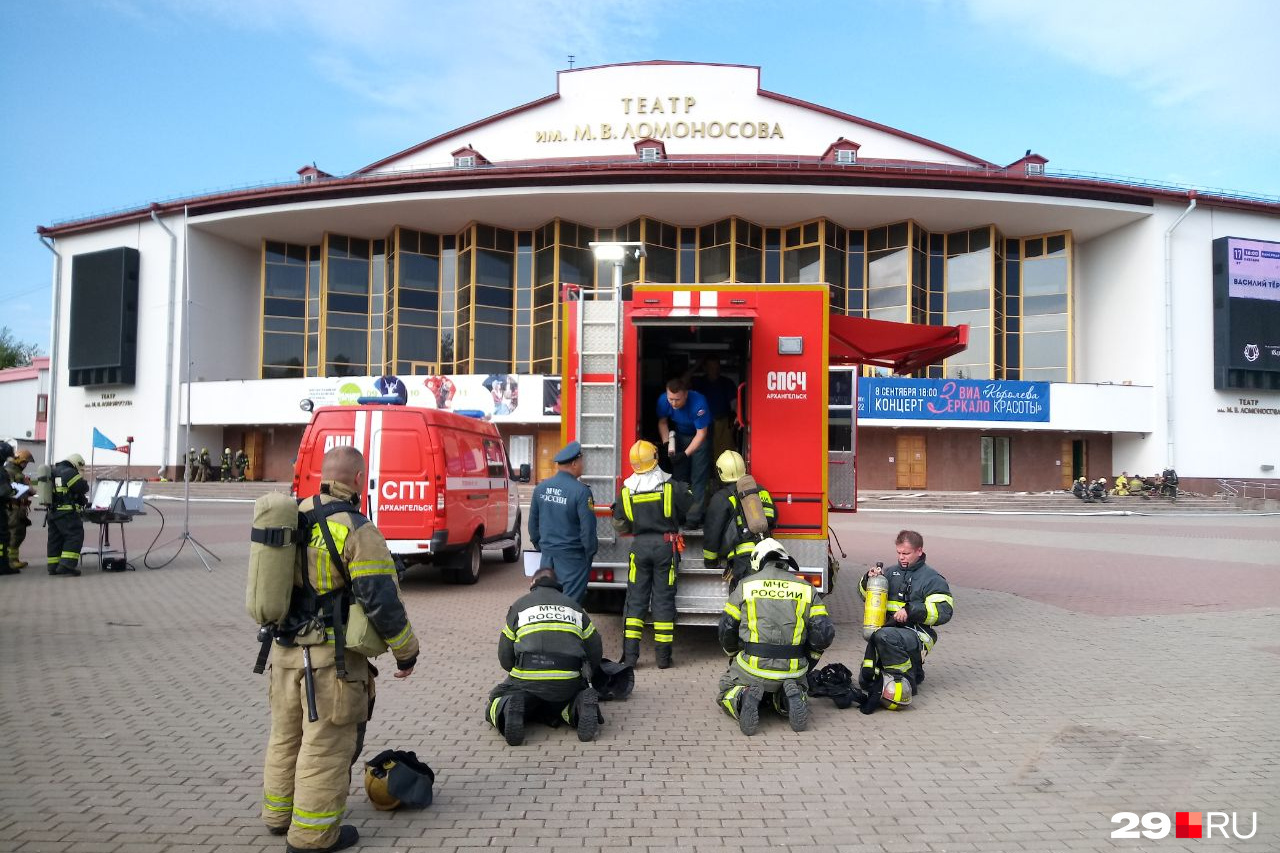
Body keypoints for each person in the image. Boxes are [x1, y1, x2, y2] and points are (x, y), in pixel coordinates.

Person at [261, 445, 418, 852]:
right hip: (330, 661)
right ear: (360, 479)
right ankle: (312, 836)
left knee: (285, 736)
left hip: (283, 652)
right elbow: (381, 600)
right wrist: (406, 652)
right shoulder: (355, 527)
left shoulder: (291, 516)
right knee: (325, 747)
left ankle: (278, 815)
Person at [716, 538, 835, 735]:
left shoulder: (745, 586)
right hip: (793, 669)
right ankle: (788, 699)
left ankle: (744, 697)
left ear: (757, 561)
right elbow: (824, 634)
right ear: (785, 562)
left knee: (726, 687)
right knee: (796, 684)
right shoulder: (806, 589)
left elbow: (726, 629)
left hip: (752, 668)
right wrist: (809, 660)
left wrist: (733, 655)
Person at [484, 567, 604, 746]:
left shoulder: (520, 606)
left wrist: (516, 672)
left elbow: (505, 657)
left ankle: (509, 708)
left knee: (495, 700)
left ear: (533, 583)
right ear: (557, 584)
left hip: (527, 680)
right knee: (564, 703)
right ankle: (580, 706)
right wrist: (586, 677)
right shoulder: (574, 607)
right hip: (567, 680)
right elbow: (595, 649)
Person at [611, 440, 693, 669]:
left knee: (635, 601)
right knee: (663, 600)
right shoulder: (671, 487)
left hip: (639, 549)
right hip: (665, 548)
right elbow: (690, 507)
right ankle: (663, 659)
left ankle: (630, 657)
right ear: (655, 459)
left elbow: (619, 524)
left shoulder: (626, 492)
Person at [858, 530, 954, 707]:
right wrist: (868, 580)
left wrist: (911, 610)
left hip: (918, 632)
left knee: (884, 636)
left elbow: (944, 610)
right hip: (889, 630)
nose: (901, 557)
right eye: (899, 553)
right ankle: (914, 671)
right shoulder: (890, 573)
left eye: (906, 553)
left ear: (919, 551)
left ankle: (906, 681)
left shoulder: (931, 578)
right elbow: (865, 596)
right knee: (866, 681)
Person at [527, 441, 598, 603]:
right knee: (569, 603)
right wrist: (589, 553)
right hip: (572, 559)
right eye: (581, 461)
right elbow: (588, 529)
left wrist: (542, 547)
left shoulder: (541, 488)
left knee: (547, 600)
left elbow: (533, 525)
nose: (583, 465)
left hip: (547, 557)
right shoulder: (581, 491)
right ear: (574, 463)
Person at [702, 450, 777, 592]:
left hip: (743, 561)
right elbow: (773, 517)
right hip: (768, 554)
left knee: (744, 599)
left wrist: (710, 560)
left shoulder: (722, 498)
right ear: (744, 468)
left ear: (720, 472)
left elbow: (713, 531)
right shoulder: (760, 491)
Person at [656, 378, 712, 528]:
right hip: (679, 436)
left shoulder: (699, 403)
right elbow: (662, 422)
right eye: (671, 399)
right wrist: (667, 443)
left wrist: (685, 454)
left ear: (686, 395)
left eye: (677, 400)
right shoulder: (663, 400)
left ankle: (693, 518)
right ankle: (680, 515)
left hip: (698, 437)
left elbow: (701, 434)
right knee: (680, 477)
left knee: (698, 477)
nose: (673, 403)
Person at [47, 453, 89, 577]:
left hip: (53, 513)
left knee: (55, 539)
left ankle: (53, 566)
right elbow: (82, 487)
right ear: (76, 464)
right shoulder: (69, 472)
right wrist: (81, 478)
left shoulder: (54, 471)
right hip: (67, 513)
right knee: (74, 535)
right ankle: (67, 565)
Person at [692, 356, 738, 461]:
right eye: (711, 367)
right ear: (705, 368)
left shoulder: (727, 383)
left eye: (716, 367)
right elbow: (680, 385)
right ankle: (707, 477)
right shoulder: (699, 382)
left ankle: (720, 477)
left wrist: (737, 416)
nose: (715, 370)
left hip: (722, 422)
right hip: (702, 423)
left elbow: (734, 403)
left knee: (724, 455)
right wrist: (695, 366)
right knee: (702, 455)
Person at [4, 448, 34, 572]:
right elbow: (11, 489)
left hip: (19, 507)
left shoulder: (15, 471)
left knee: (19, 534)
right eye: (25, 462)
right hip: (13, 508)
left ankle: (14, 559)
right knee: (14, 533)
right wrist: (28, 489)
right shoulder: (9, 471)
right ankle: (10, 561)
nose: (25, 465)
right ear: (19, 460)